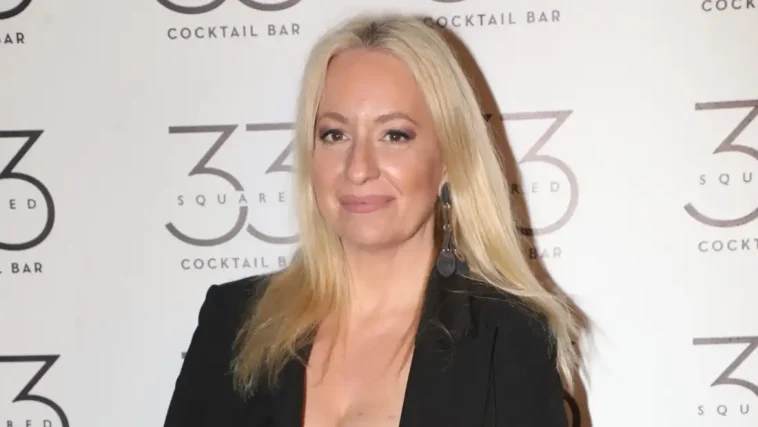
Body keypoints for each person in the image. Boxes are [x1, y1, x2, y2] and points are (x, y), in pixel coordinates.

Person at [163, 12, 579, 427]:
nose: (359, 168)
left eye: (394, 135)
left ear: (449, 160)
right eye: (334, 134)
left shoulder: (506, 338)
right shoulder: (234, 321)